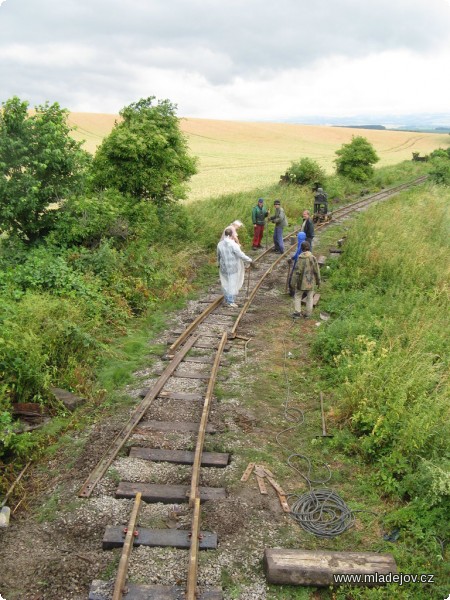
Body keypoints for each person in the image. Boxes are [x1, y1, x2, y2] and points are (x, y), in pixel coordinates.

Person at [217, 227, 252, 307]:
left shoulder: (220, 244)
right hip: (233, 267)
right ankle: (230, 301)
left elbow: (218, 255)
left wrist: (218, 264)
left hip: (223, 267)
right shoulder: (233, 244)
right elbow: (240, 254)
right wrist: (249, 260)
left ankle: (227, 298)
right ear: (231, 235)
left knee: (225, 283)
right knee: (232, 284)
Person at [291, 241, 320, 318]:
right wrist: (318, 281)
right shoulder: (313, 258)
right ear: (309, 248)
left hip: (301, 283)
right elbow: (317, 271)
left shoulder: (300, 259)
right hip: (310, 282)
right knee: (310, 297)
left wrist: (292, 283)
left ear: (301, 249)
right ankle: (308, 313)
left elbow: (296, 272)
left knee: (297, 296)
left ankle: (297, 312)